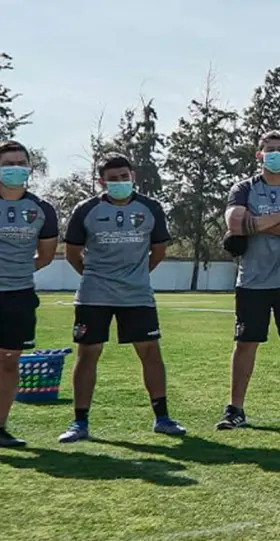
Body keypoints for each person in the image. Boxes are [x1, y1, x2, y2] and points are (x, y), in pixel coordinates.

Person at [59, 153, 185, 442]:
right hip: (94, 294)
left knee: (151, 352)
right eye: (113, 179)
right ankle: (79, 423)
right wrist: (95, 277)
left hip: (137, 295)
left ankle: (163, 418)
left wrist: (136, 275)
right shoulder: (86, 209)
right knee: (88, 353)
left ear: (133, 177)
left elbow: (159, 251)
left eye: (124, 177)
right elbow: (72, 253)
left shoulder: (150, 208)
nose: (120, 182)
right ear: (101, 182)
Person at [217, 131, 280, 429]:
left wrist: (256, 223)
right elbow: (234, 223)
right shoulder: (243, 188)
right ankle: (235, 409)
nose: (276, 154)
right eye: (270, 149)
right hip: (252, 282)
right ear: (259, 155)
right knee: (245, 344)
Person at [0, 141, 58, 447]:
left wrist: (14, 272)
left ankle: (0, 427)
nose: (15, 169)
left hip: (19, 296)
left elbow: (45, 255)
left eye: (20, 163)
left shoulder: (42, 210)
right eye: (7, 164)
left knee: (9, 361)